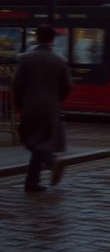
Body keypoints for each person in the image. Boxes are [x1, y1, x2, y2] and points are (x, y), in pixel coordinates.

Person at [13, 25, 72, 192]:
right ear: (52, 39)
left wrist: (18, 107)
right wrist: (56, 99)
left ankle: (51, 161)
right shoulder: (60, 60)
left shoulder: (25, 58)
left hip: (29, 106)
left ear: (37, 37)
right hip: (51, 108)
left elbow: (17, 85)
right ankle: (31, 183)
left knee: (28, 139)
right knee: (42, 141)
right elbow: (68, 85)